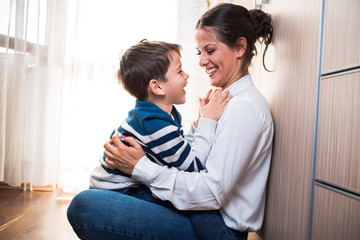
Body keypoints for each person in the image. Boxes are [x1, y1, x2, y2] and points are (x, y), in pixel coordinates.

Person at [67, 3, 274, 240]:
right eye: (199, 53)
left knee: (84, 205)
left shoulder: (245, 108)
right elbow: (188, 158)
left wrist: (139, 167)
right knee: (93, 199)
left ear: (239, 48)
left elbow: (209, 192)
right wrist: (200, 124)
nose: (201, 62)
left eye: (210, 50)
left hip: (217, 227)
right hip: (199, 215)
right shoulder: (225, 101)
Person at [89, 39, 236, 238]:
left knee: (185, 196)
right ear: (157, 87)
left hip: (127, 186)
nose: (187, 75)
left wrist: (199, 122)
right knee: (196, 205)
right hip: (120, 192)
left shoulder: (161, 115)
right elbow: (193, 165)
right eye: (180, 71)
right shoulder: (153, 124)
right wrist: (209, 121)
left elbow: (180, 153)